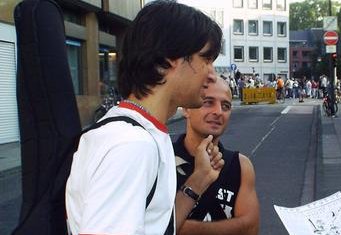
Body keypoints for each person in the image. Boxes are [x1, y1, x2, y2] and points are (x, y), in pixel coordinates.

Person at [65, 1, 225, 234]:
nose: (212, 74)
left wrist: (198, 180)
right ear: (170, 59)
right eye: (206, 59)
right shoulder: (132, 145)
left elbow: (154, 226)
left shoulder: (133, 131)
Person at [174, 77, 260, 234]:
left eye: (225, 106)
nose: (218, 112)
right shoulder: (161, 160)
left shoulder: (240, 166)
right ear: (186, 109)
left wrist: (187, 228)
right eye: (208, 102)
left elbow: (250, 228)